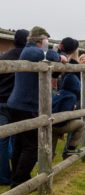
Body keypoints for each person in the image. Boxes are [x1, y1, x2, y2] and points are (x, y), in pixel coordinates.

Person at [7, 26, 66, 188]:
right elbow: (49, 55)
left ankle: (17, 177)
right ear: (40, 40)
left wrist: (56, 58)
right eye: (46, 40)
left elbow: (51, 69)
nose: (48, 42)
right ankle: (20, 180)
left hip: (20, 103)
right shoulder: (31, 51)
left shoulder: (32, 52)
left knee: (21, 144)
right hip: (26, 105)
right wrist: (57, 54)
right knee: (32, 146)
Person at [0, 29, 29, 185]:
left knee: (3, 140)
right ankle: (17, 173)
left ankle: (4, 175)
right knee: (18, 139)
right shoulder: (27, 57)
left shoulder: (5, 56)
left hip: (1, 101)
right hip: (17, 103)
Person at [52, 72, 83, 160]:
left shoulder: (59, 92)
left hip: (51, 124)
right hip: (60, 125)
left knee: (50, 151)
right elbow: (66, 113)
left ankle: (44, 169)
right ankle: (70, 149)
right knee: (81, 124)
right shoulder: (72, 96)